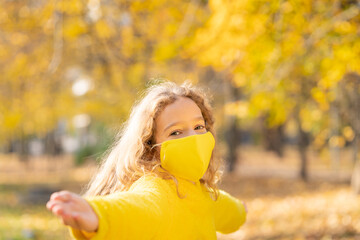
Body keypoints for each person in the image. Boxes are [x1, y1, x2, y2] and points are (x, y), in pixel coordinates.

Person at [46, 81, 247, 239]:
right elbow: (137, 209)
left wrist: (241, 210)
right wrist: (98, 215)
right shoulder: (158, 189)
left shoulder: (202, 192)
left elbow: (228, 211)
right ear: (150, 147)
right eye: (175, 132)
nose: (192, 138)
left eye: (198, 127)